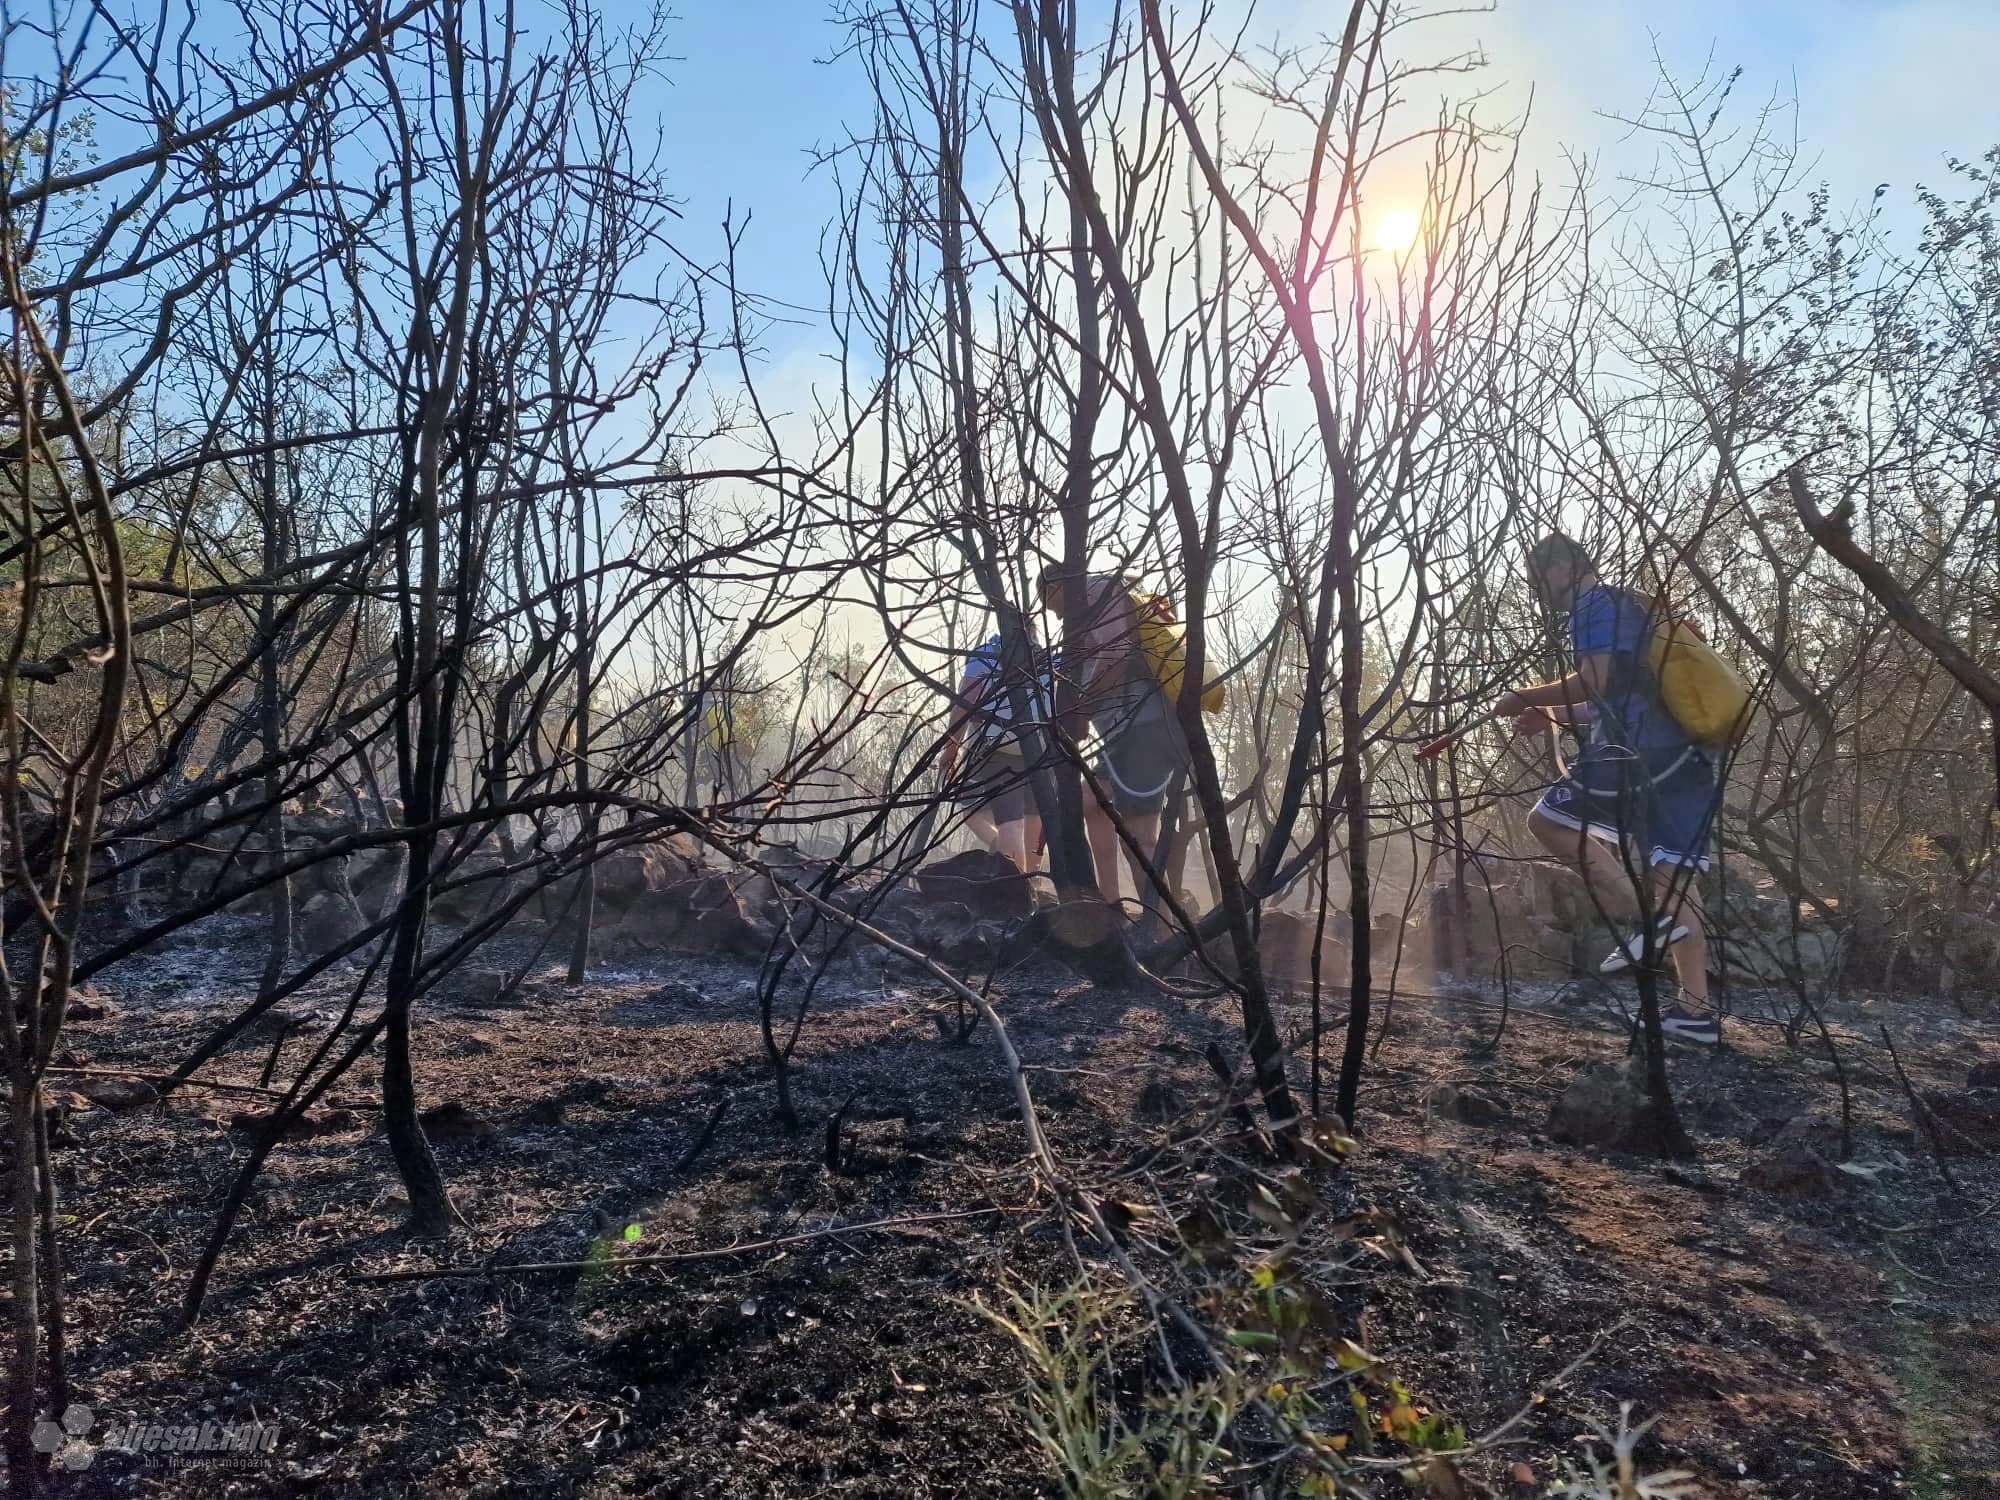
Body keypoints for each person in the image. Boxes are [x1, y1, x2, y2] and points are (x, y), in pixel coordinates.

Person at [1497, 533, 1725, 1045]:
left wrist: (1522, 695)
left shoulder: (1594, 604)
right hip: (1688, 760)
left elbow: (1595, 680)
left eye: (1539, 578)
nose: (1537, 590)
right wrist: (1550, 712)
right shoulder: (1632, 606)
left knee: (1546, 821)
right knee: (1675, 883)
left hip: (1639, 756)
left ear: (1564, 568)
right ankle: (1697, 1013)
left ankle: (1642, 914)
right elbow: (1618, 694)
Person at [1038, 564, 1192, 908]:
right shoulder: (1099, 597)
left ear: (1056, 586)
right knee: (1090, 805)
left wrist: (1082, 708)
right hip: (1125, 734)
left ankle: (1163, 928)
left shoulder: (1096, 592)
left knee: (1139, 840)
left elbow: (1116, 655)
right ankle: (1110, 906)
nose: (1056, 614)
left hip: (1141, 729)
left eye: (1051, 603)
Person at [937, 631, 1053, 874]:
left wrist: (950, 750)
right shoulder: (1047, 658)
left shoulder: (986, 655)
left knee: (1010, 824)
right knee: (1034, 820)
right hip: (1042, 746)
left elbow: (964, 704)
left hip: (998, 744)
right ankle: (1031, 883)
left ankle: (1014, 889)